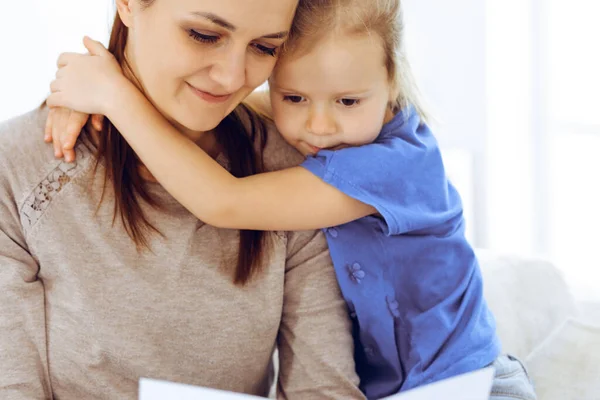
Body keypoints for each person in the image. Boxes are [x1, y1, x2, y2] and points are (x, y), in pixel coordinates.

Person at [47, 1, 538, 399]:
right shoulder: (325, 121)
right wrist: (83, 93)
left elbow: (223, 202)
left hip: (475, 385)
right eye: (294, 99)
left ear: (394, 89)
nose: (318, 127)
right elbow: (222, 101)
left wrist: (115, 97)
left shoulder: (393, 167)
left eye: (348, 101)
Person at [0, 0, 367, 399]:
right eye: (204, 35)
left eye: (264, 48)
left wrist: (116, 95)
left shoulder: (293, 174)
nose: (231, 78)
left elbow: (325, 390)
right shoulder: (19, 169)